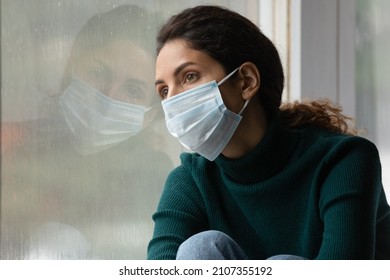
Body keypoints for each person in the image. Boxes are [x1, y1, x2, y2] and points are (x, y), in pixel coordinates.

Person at [147, 5, 390, 260]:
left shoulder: (343, 161)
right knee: (200, 249)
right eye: (164, 91)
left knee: (283, 266)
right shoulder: (191, 180)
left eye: (189, 76)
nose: (172, 101)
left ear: (246, 81)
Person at [1, 4, 175, 260]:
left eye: (133, 90)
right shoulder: (12, 145)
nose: (109, 96)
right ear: (70, 67)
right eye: (98, 73)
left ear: (149, 116)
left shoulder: (156, 179)